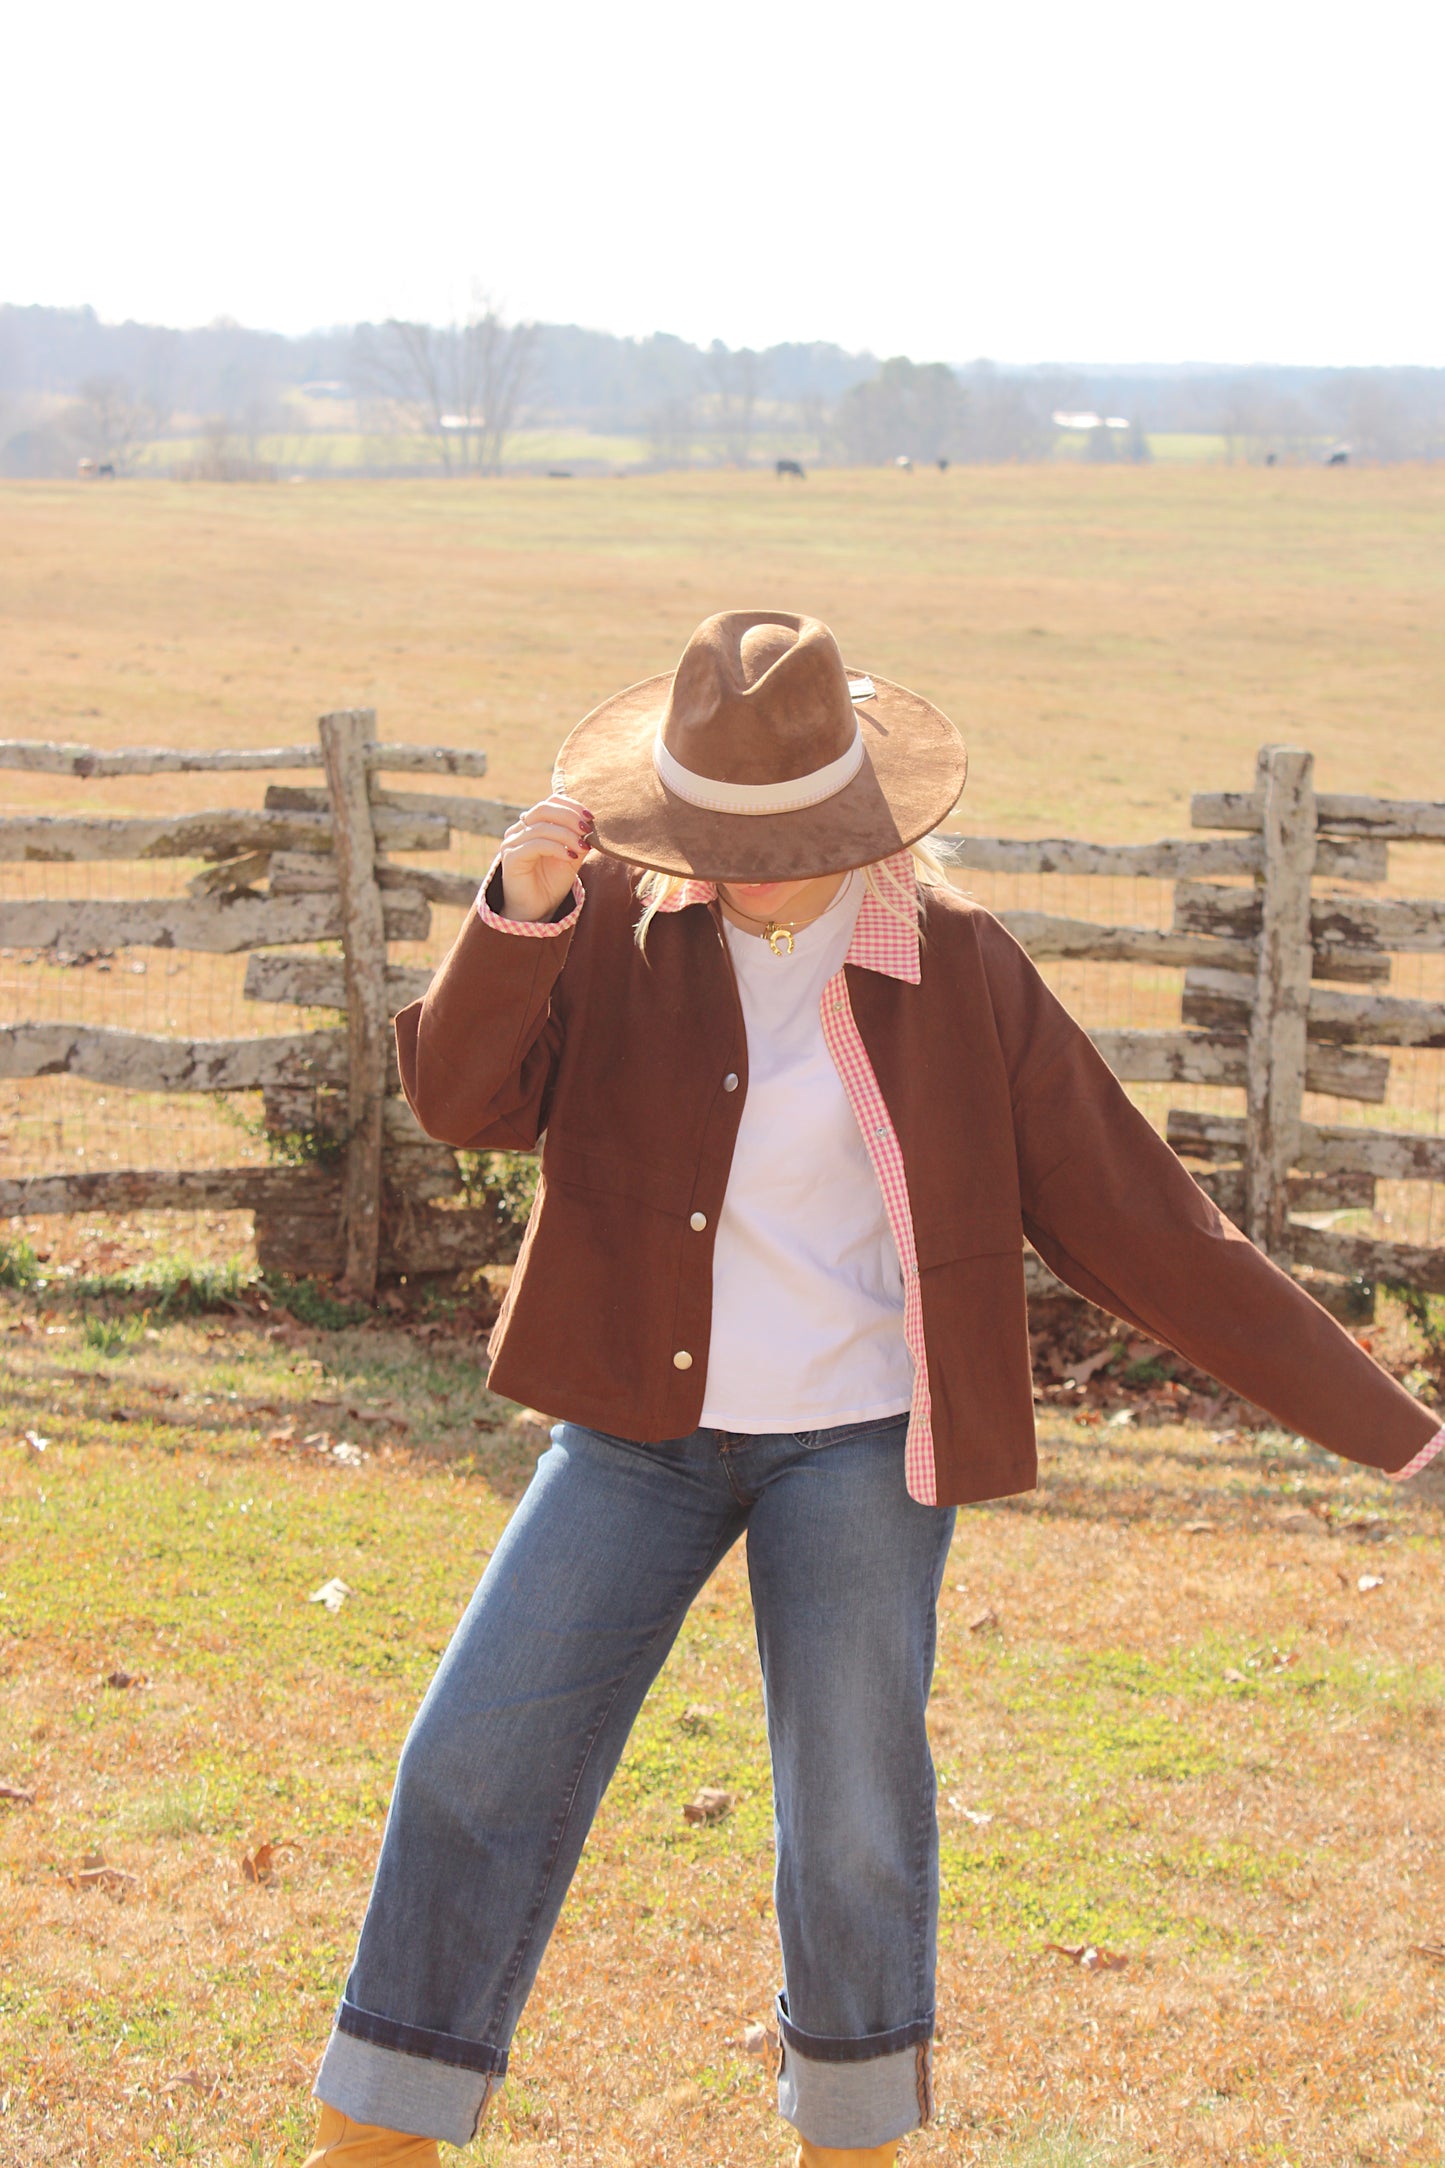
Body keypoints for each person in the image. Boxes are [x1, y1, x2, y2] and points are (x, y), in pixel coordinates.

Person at [302, 611, 1444, 2168]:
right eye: (709, 827)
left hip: (858, 1445)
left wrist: (1401, 1435)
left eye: (773, 833)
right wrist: (518, 913)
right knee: (472, 1753)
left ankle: (847, 2144)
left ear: (855, 813)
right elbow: (459, 1100)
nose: (738, 861)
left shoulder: (959, 969)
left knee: (847, 1815)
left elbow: (1150, 1230)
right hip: (633, 1435)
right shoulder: (615, 924)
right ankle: (377, 2137)